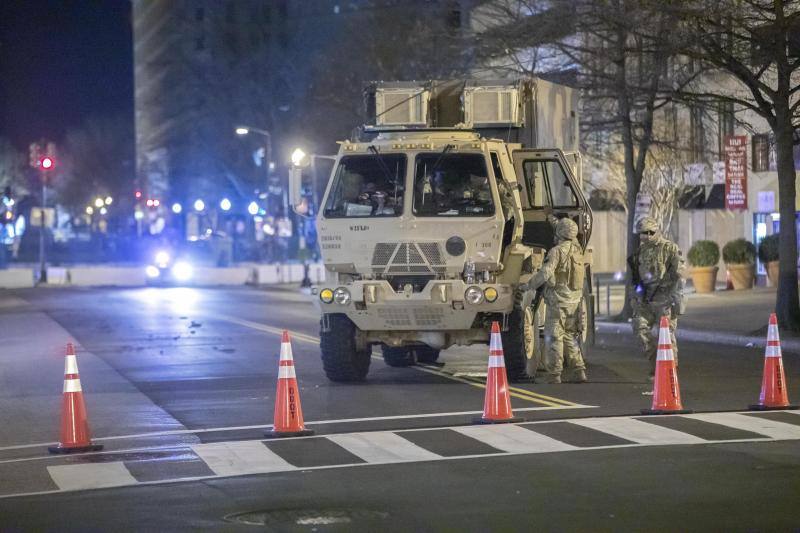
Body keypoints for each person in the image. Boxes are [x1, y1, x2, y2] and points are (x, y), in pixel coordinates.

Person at [528, 218, 587, 384]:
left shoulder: (556, 251)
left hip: (558, 302)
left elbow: (546, 274)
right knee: (570, 336)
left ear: (559, 233)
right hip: (574, 301)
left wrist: (529, 285)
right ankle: (579, 370)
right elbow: (566, 230)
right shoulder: (577, 250)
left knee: (554, 336)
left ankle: (554, 374)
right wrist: (551, 217)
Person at [628, 216, 685, 380]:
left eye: (648, 233)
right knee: (639, 328)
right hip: (646, 299)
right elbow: (637, 278)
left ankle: (669, 369)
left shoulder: (669, 248)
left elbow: (680, 274)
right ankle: (656, 365)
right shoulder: (641, 251)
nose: (645, 236)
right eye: (642, 234)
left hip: (665, 298)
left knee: (666, 336)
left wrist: (675, 297)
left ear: (656, 231)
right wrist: (636, 295)